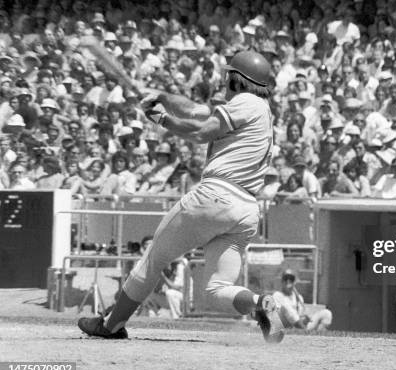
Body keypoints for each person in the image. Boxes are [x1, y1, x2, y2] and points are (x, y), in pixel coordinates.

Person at [78, 51, 285, 343]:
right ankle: (260, 302)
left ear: (236, 79)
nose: (224, 79)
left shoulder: (244, 103)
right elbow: (195, 112)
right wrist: (162, 95)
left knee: (153, 259)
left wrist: (162, 119)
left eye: (227, 75)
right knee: (217, 288)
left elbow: (201, 130)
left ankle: (111, 324)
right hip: (246, 209)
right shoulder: (258, 109)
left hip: (216, 196)